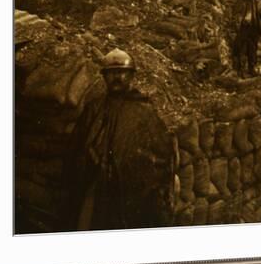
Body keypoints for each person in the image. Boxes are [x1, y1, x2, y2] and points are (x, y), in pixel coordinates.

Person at [61, 48, 176, 231]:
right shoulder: (95, 108)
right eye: (111, 73)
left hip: (132, 191)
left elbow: (160, 153)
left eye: (121, 72)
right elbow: (77, 146)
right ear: (104, 77)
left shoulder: (144, 112)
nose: (117, 78)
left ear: (131, 76)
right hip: (97, 186)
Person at [232, 0, 261, 77]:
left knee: (253, 49)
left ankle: (252, 69)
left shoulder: (256, 2)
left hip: (253, 28)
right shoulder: (240, 1)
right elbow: (235, 14)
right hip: (243, 28)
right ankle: (240, 70)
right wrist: (239, 22)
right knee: (241, 48)